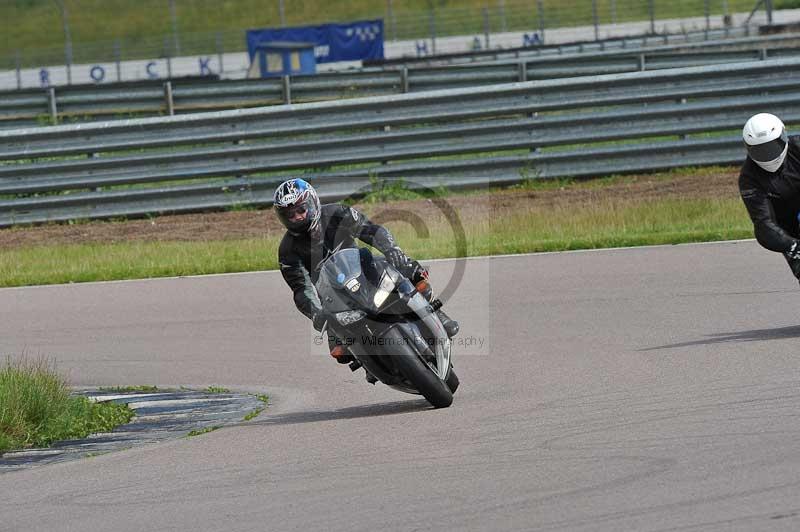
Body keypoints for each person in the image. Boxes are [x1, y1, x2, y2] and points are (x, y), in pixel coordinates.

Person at [273, 177, 459, 369]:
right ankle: (370, 362)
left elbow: (370, 230)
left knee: (410, 270)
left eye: (301, 210)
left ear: (312, 203)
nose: (297, 218)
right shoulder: (287, 250)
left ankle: (435, 312)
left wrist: (392, 250)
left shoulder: (336, 213)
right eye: (290, 215)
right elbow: (301, 289)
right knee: (339, 352)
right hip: (333, 296)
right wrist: (316, 313)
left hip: (364, 269)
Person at [739, 113, 800, 283]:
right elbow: (764, 225)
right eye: (760, 150)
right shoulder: (749, 179)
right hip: (788, 231)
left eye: (772, 147)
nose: (768, 155)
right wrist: (793, 246)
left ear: (783, 136)